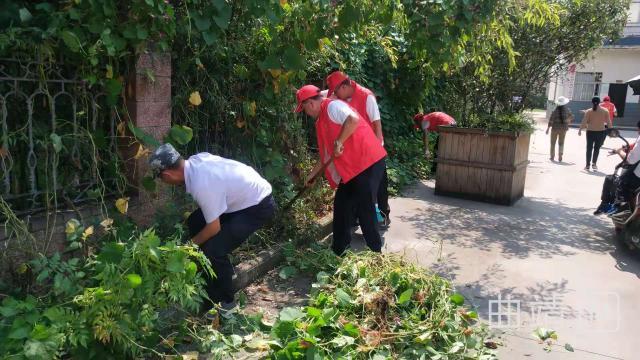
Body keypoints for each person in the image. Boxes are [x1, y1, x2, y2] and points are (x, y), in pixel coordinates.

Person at [148, 144, 276, 311]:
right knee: (195, 221)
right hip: (239, 199)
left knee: (214, 250)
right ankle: (211, 274)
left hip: (257, 205)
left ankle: (226, 304)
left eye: (162, 179)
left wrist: (187, 248)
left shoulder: (202, 184)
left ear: (167, 174)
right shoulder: (195, 161)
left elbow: (213, 228)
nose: (164, 182)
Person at [294, 84, 387, 255]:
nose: (306, 113)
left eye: (304, 109)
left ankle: (375, 252)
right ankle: (339, 251)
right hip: (354, 169)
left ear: (311, 104)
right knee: (342, 205)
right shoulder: (321, 121)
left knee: (364, 206)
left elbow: (353, 120)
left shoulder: (333, 106)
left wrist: (339, 141)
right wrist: (311, 176)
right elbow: (325, 156)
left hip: (368, 161)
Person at [325, 71, 390, 227]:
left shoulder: (366, 96)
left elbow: (377, 124)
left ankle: (382, 215)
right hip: (356, 152)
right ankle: (356, 217)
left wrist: (376, 150)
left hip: (373, 151)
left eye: (336, 91)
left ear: (346, 85)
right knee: (357, 186)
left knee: (378, 187)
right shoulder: (340, 98)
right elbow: (320, 98)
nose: (335, 95)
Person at [579, 96, 612, 171]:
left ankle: (587, 165)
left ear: (592, 102)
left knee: (589, 148)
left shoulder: (589, 111)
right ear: (600, 102)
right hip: (601, 132)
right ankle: (594, 164)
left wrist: (580, 130)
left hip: (590, 132)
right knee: (597, 148)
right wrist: (610, 131)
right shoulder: (605, 110)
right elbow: (609, 122)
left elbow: (584, 121)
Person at [546, 96, 574, 162]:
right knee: (561, 143)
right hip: (563, 129)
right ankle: (560, 155)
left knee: (553, 143)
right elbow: (572, 117)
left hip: (555, 128)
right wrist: (567, 122)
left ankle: (552, 156)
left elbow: (551, 120)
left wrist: (548, 128)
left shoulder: (554, 111)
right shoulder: (567, 110)